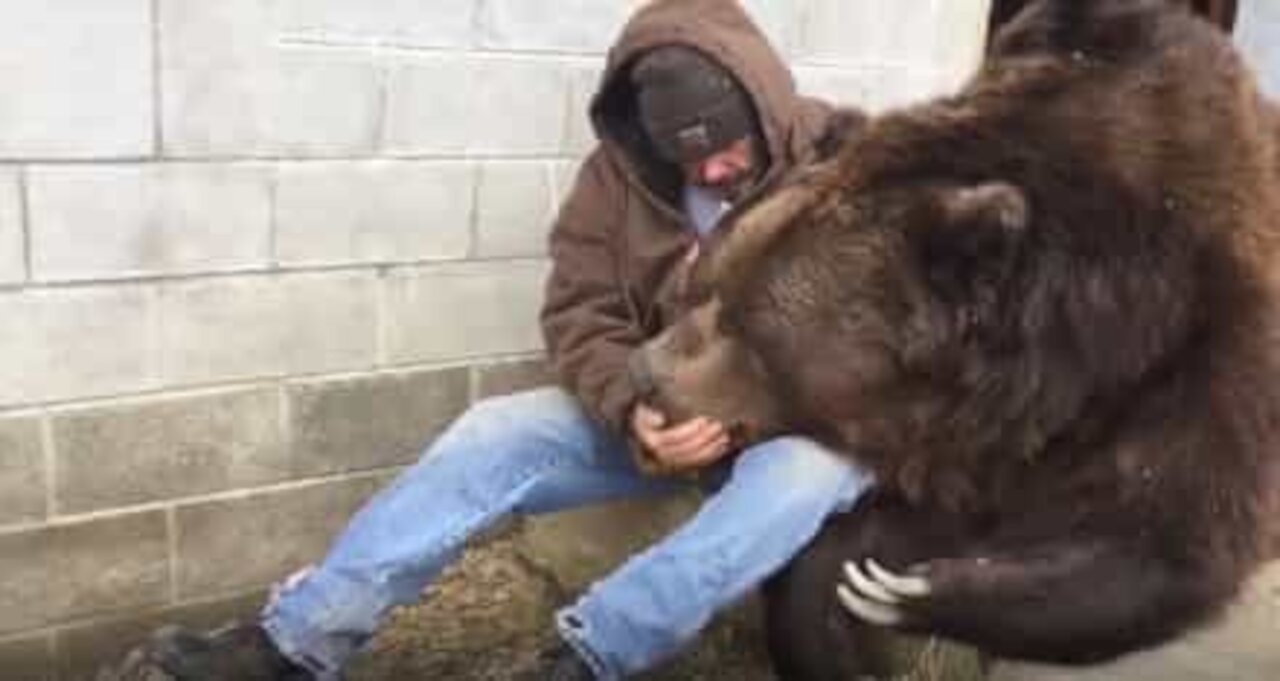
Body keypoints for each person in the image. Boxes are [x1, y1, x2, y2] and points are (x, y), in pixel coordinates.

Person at [139, 1, 871, 679]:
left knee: (808, 473)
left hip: (798, 429)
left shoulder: (854, 167)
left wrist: (741, 415)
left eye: (727, 147)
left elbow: (883, 340)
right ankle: (297, 640)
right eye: (687, 158)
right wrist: (631, 407)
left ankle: (591, 654)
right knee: (497, 430)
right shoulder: (613, 180)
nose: (710, 171)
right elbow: (579, 311)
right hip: (661, 415)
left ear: (765, 105)